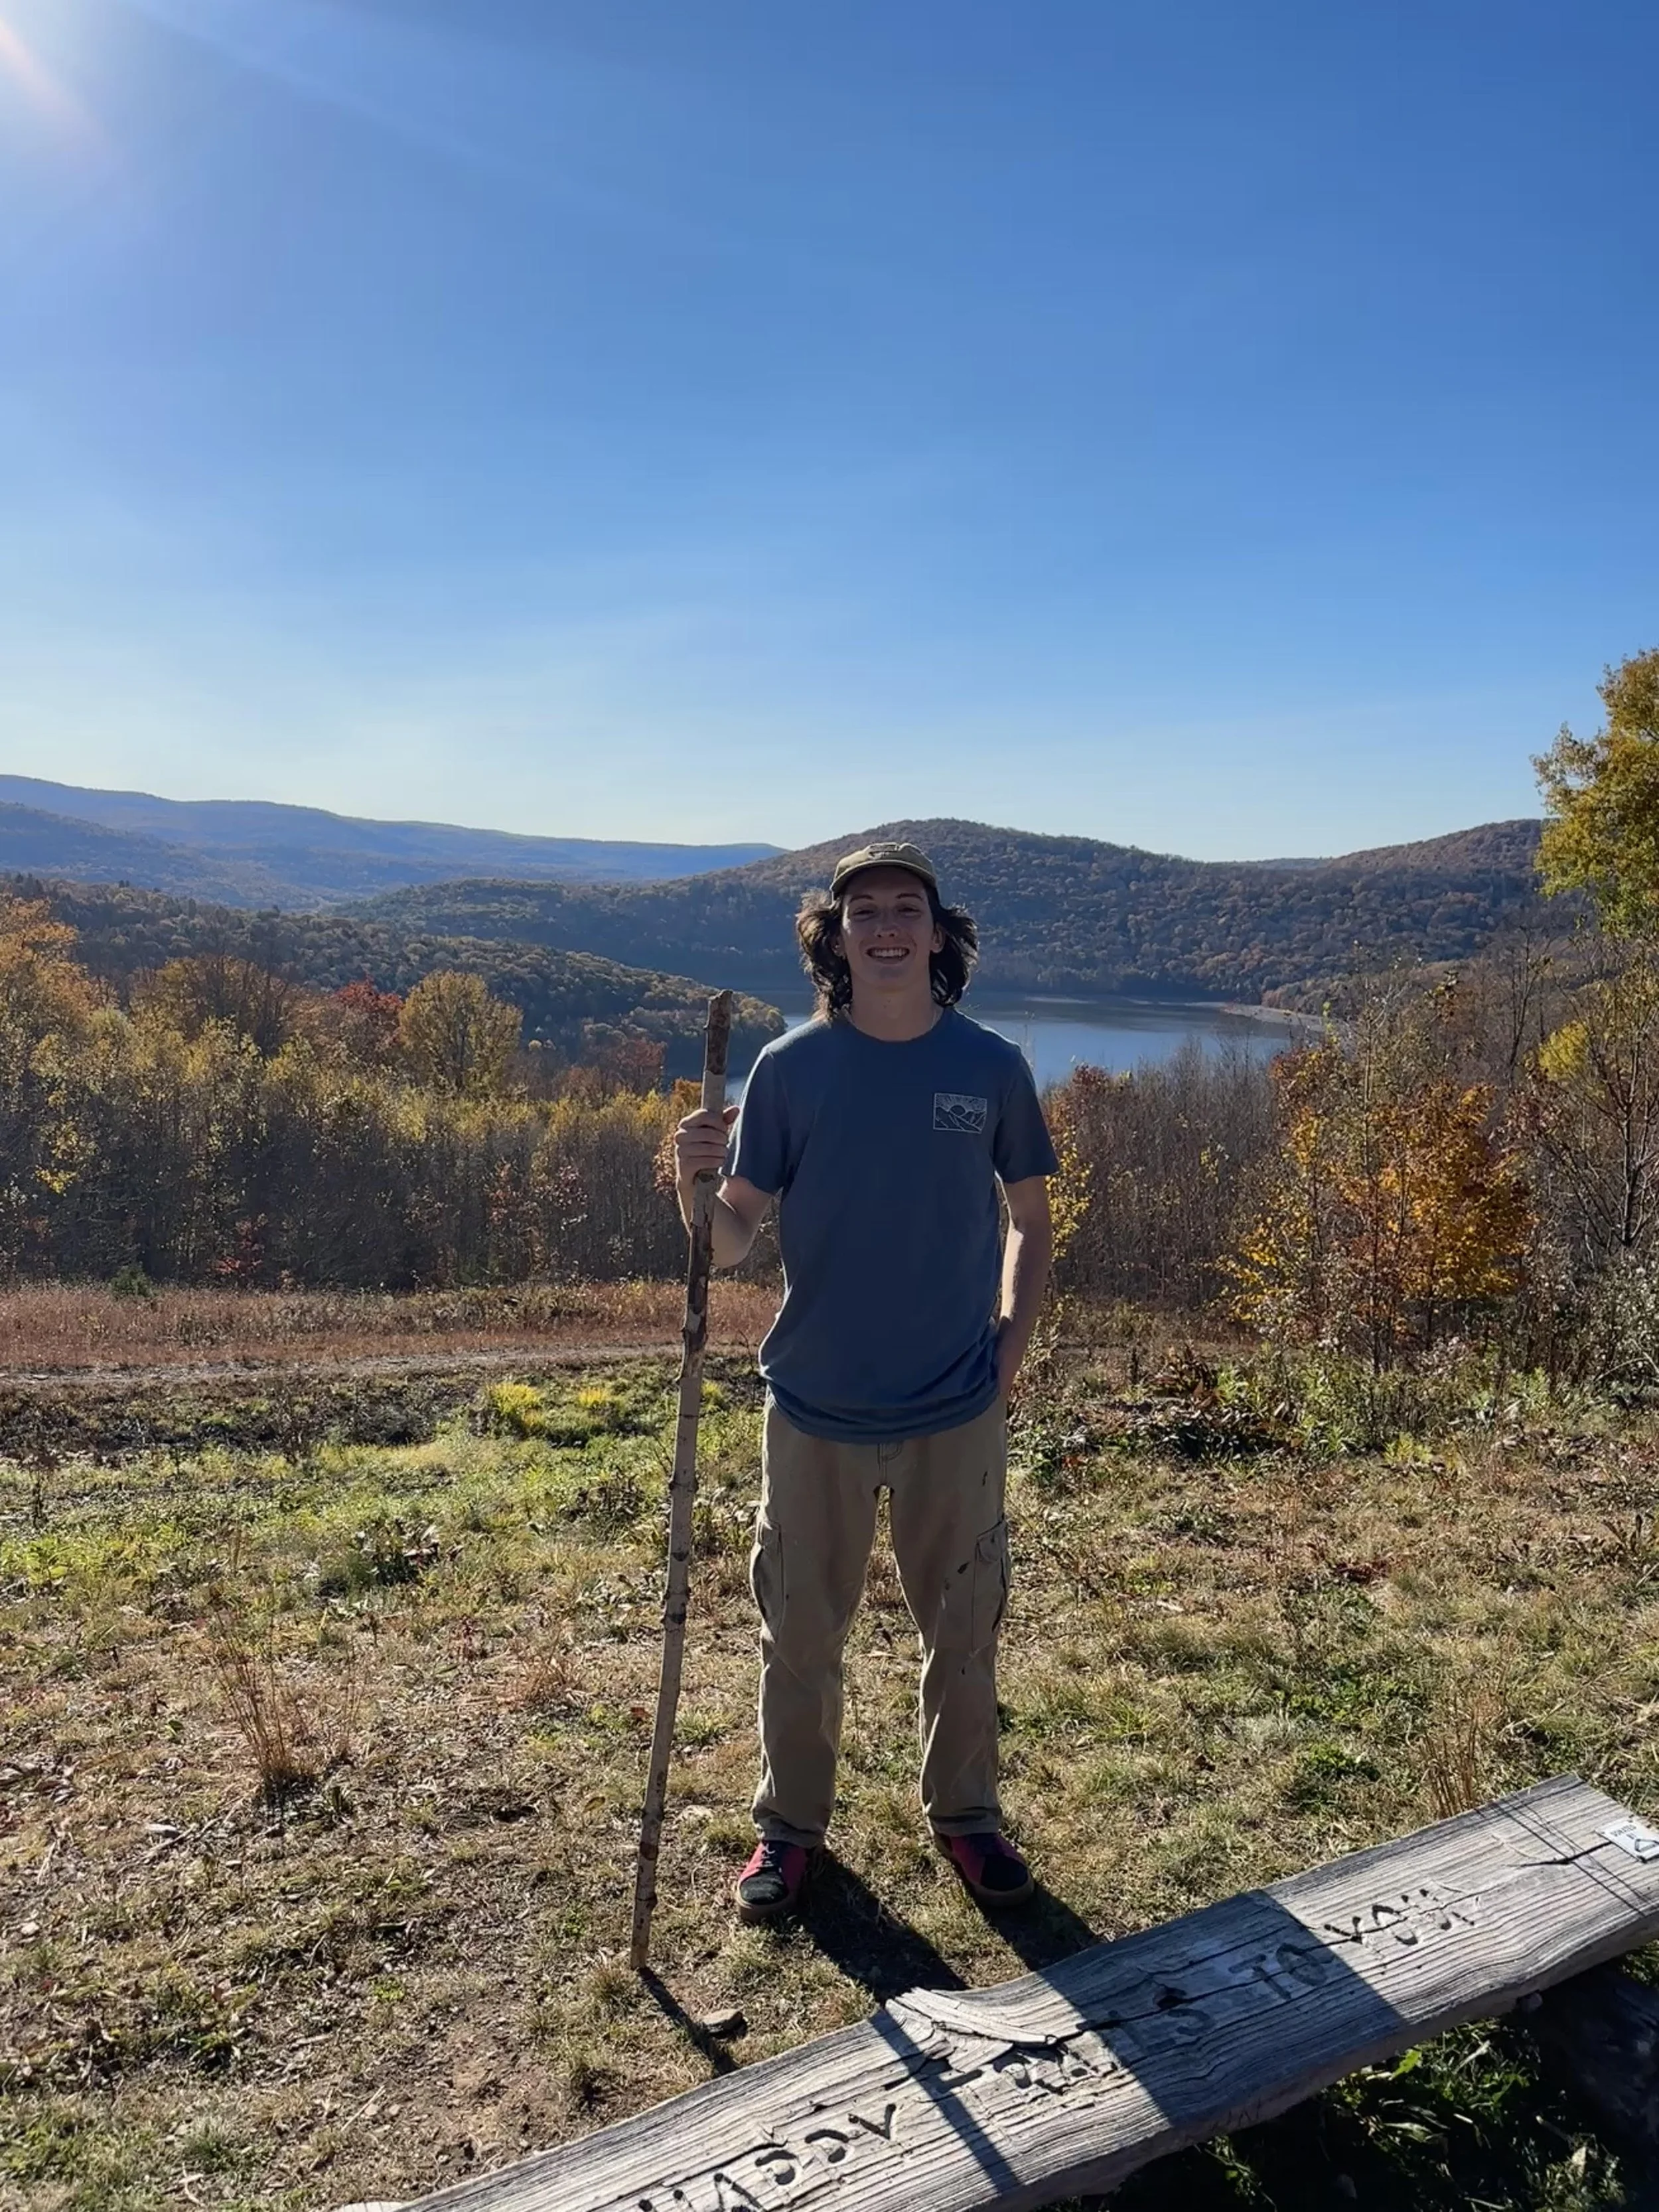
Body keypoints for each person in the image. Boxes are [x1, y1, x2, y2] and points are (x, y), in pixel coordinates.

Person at [672, 840, 1057, 1923]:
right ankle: (789, 1833)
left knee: (966, 1627)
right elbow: (730, 1239)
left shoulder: (990, 1066)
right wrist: (691, 1183)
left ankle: (967, 1817)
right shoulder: (791, 1069)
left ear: (938, 934)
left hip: (955, 1407)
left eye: (906, 909)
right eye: (864, 912)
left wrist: (1009, 1348)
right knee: (799, 1633)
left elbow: (1031, 1221)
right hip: (816, 1407)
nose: (886, 927)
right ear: (835, 940)